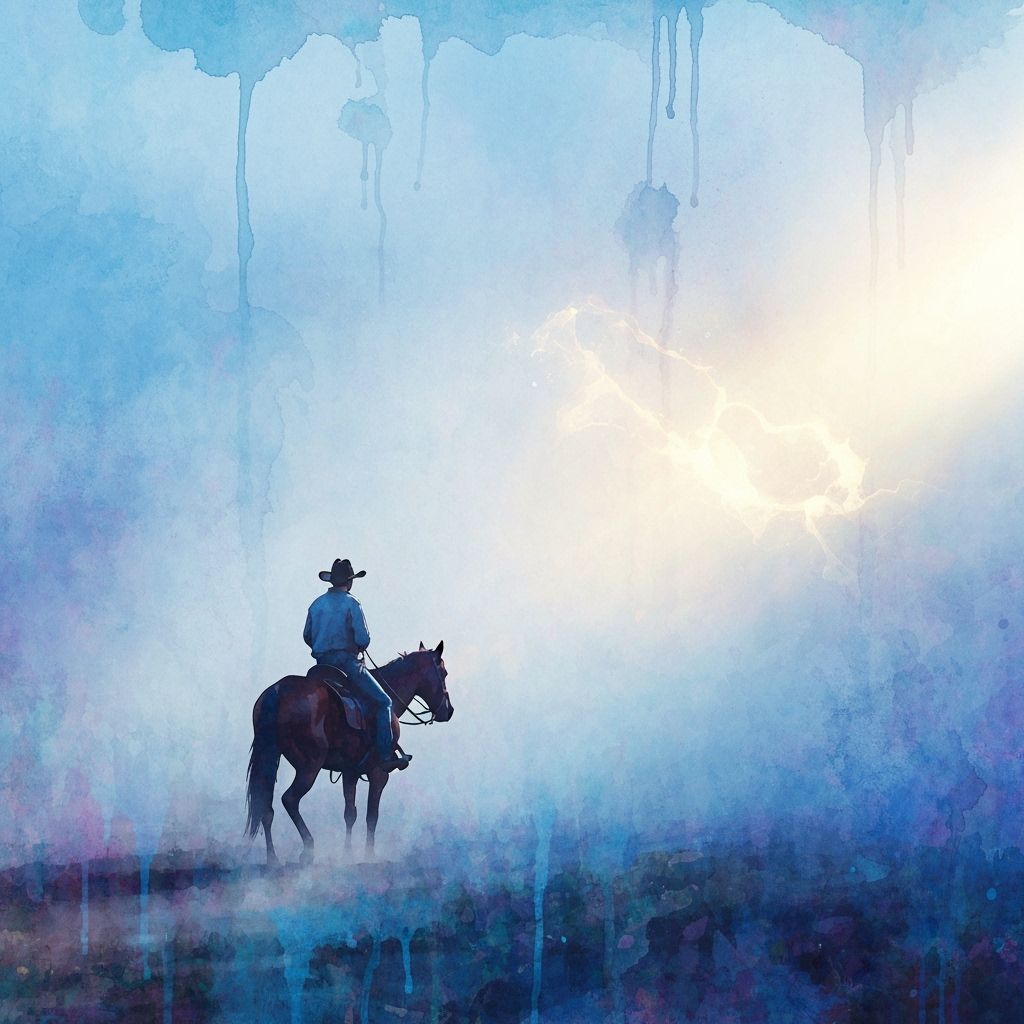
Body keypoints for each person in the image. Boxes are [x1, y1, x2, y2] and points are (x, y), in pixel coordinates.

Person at [304, 558, 408, 771]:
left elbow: (307, 636)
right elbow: (363, 640)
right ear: (349, 582)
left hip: (321, 666)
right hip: (346, 665)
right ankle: (384, 755)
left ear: (332, 581)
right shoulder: (352, 603)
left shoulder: (316, 604)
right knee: (384, 703)